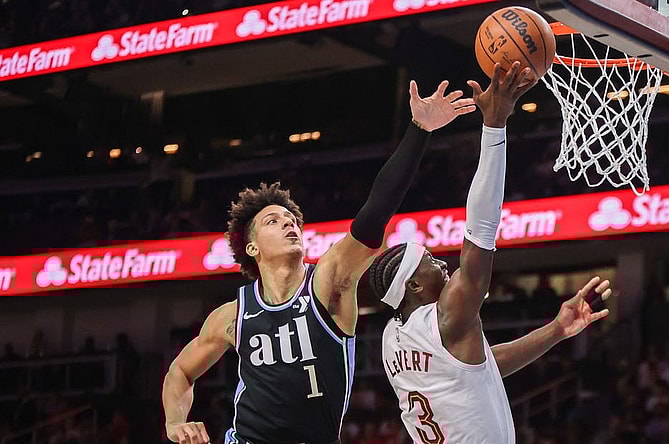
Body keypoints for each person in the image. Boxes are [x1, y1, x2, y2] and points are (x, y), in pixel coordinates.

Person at [162, 80, 476, 444]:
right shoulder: (232, 316)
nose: (289, 224)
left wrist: (419, 131)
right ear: (252, 248)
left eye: (292, 219)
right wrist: (174, 422)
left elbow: (374, 213)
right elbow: (179, 372)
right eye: (273, 221)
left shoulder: (328, 284)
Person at [369, 62, 613, 443]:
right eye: (431, 261)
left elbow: (481, 366)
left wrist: (557, 330)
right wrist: (494, 126)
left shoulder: (392, 338)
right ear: (414, 285)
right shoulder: (447, 316)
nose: (443, 263)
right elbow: (480, 230)